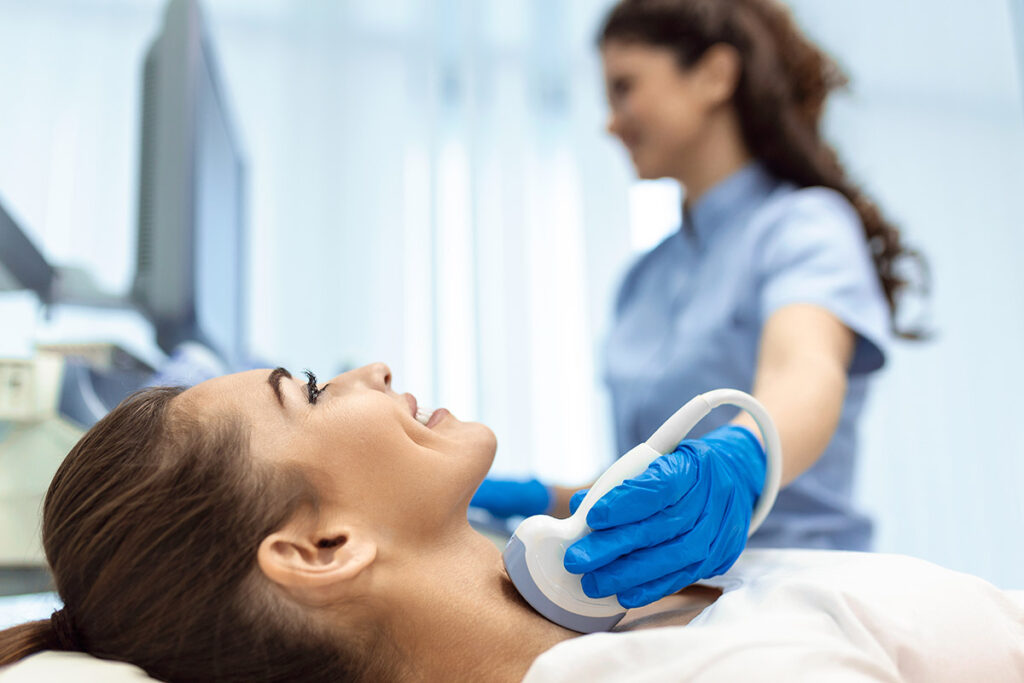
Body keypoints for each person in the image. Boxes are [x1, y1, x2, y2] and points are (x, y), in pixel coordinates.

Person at [0, 364, 1021, 683]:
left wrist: (737, 440)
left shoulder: (606, 602)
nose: (372, 372)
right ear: (319, 549)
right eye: (310, 388)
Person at [471, 0, 929, 606]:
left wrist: (743, 456)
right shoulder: (643, 278)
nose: (610, 122)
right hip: (663, 600)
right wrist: (545, 501)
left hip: (803, 589)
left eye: (624, 88)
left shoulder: (803, 225)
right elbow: (656, 485)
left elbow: (803, 372)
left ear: (715, 75)